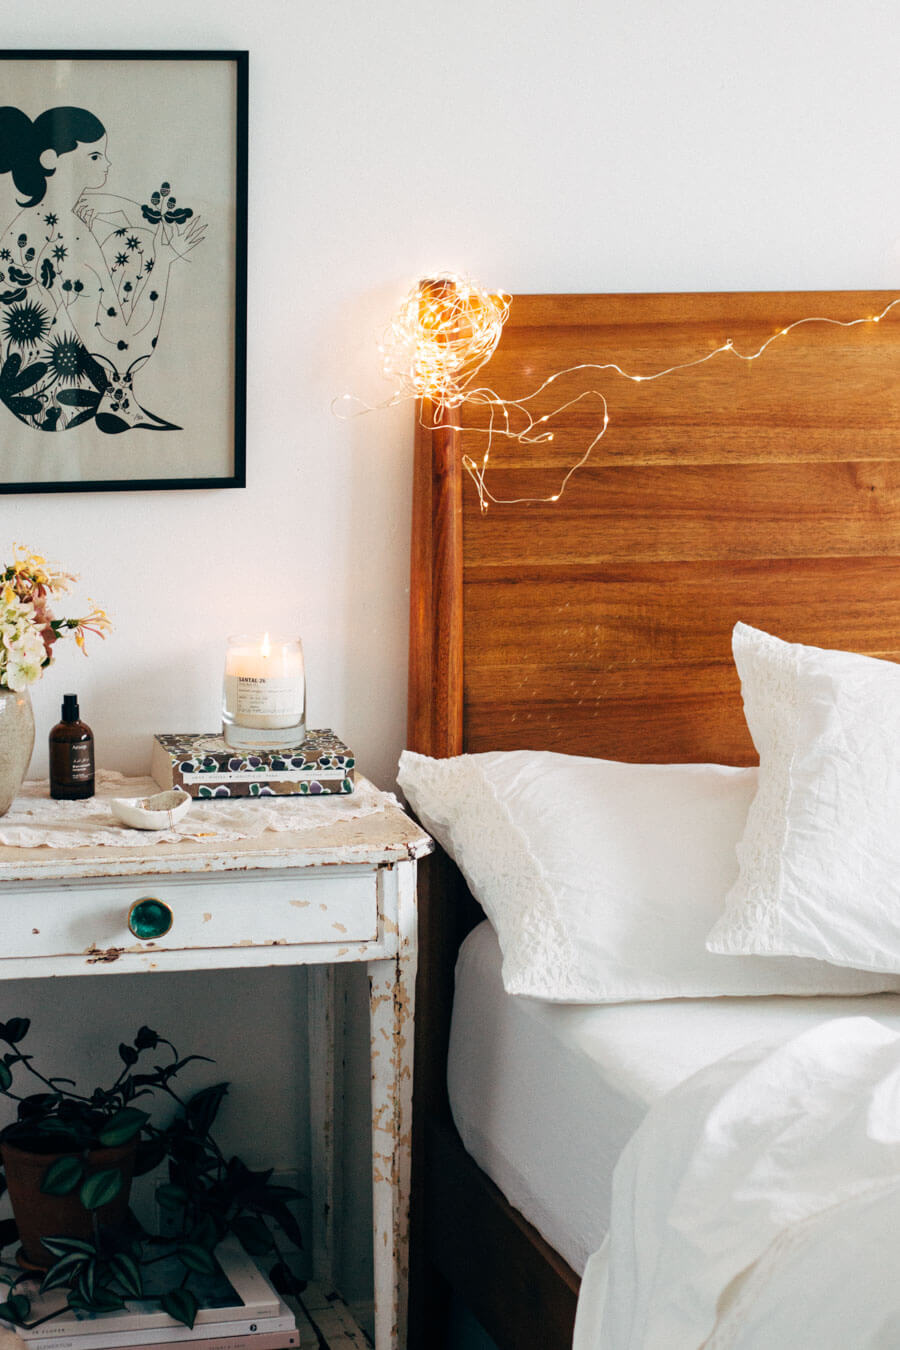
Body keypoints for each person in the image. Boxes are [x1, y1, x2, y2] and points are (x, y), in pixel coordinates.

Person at [0, 105, 204, 433]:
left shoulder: (36, 222)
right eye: (95, 156)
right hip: (52, 394)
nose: (107, 164)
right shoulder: (61, 232)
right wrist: (165, 261)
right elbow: (118, 344)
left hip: (31, 380)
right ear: (51, 159)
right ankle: (120, 404)